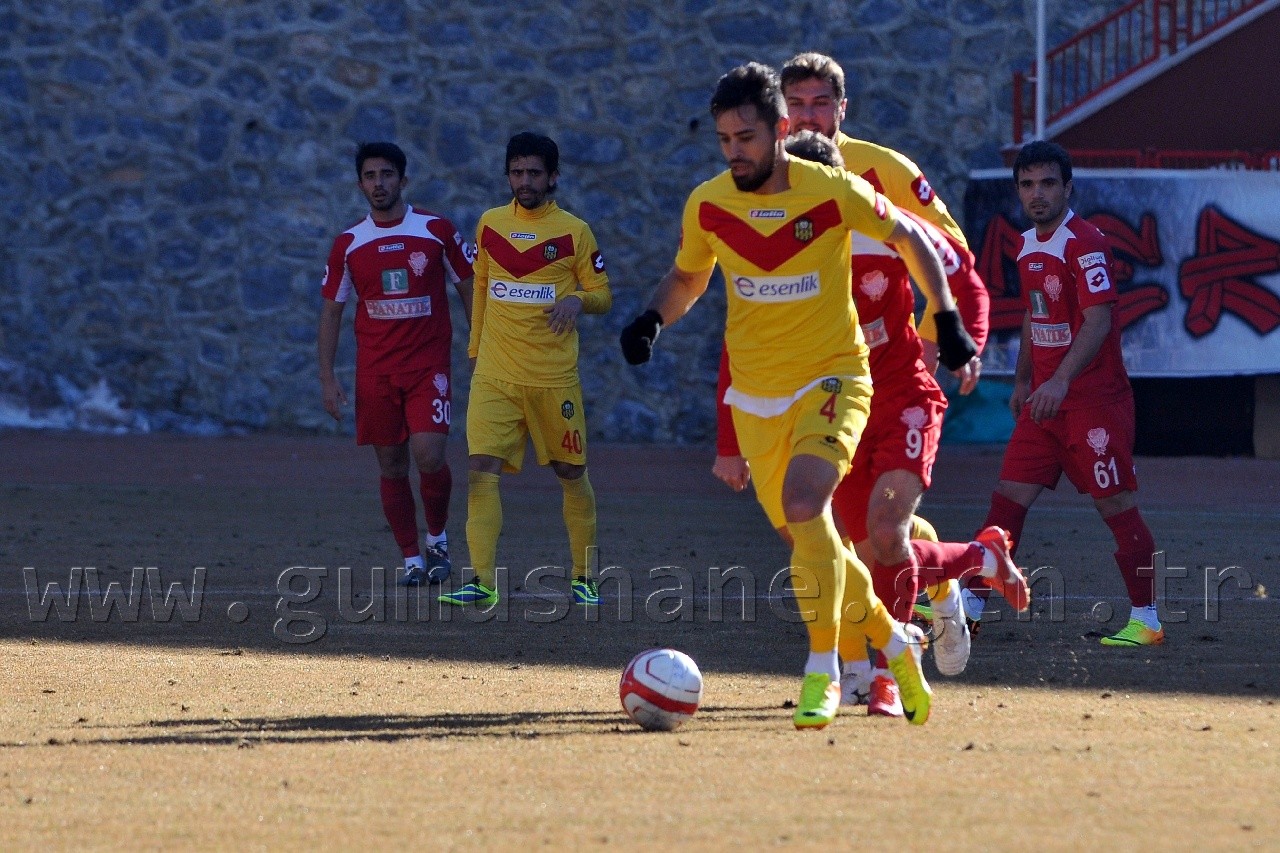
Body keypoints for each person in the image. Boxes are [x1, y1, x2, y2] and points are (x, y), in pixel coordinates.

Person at [621, 63, 978, 729]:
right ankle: (894, 643)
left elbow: (914, 239)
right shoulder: (709, 203)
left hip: (834, 378)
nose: (735, 153)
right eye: (725, 140)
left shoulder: (833, 189)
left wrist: (948, 319)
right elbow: (687, 277)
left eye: (747, 138)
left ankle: (825, 671)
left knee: (807, 503)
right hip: (759, 399)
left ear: (781, 130)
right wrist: (651, 318)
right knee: (817, 539)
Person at [712, 131, 1029, 720]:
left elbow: (963, 275)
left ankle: (883, 674)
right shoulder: (771, 248)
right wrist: (729, 440)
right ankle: (977, 559)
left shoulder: (883, 224)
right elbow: (741, 339)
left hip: (903, 395)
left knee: (885, 532)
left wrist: (959, 341)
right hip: (834, 405)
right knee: (860, 550)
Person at [976, 140, 1162, 646]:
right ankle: (968, 608)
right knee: (1007, 499)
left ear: (1068, 188)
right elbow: (1036, 315)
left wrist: (1060, 380)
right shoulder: (1027, 244)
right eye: (1027, 184)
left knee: (1115, 505)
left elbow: (1098, 319)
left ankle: (1147, 621)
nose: (1037, 193)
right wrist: (1023, 380)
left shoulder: (1086, 243)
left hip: (1093, 403)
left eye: (1047, 183)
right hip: (1044, 404)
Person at [439, 132, 612, 608]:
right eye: (517, 172)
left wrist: (577, 300)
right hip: (494, 374)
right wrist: (475, 349)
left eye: (534, 173)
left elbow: (603, 294)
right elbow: (481, 288)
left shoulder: (574, 232)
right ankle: (482, 581)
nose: (525, 181)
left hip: (553, 378)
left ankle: (584, 576)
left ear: (552, 177)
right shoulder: (490, 223)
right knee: (480, 468)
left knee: (570, 471)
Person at [318, 141, 474, 586]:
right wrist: (327, 377)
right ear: (360, 185)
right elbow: (331, 311)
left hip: (428, 366)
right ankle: (411, 559)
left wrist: (480, 347)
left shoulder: (436, 230)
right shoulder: (349, 243)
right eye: (370, 176)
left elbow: (469, 286)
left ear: (403, 180)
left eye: (387, 174)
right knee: (391, 465)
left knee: (429, 454)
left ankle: (438, 539)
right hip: (376, 372)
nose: (379, 183)